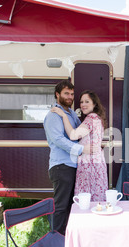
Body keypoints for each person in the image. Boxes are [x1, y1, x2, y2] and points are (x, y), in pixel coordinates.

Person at [43, 80, 92, 235]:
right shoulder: (53, 115)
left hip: (71, 166)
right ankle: (56, 240)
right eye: (66, 93)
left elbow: (77, 131)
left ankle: (67, 239)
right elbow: (58, 139)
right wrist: (81, 149)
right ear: (57, 94)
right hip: (61, 166)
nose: (70, 97)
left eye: (71, 94)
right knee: (61, 206)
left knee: (71, 205)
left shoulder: (70, 114)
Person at [51, 90, 108, 202]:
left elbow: (73, 135)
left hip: (90, 165)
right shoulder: (97, 118)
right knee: (96, 197)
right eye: (81, 102)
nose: (83, 104)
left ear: (94, 104)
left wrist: (63, 115)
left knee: (86, 199)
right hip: (96, 162)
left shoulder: (91, 118)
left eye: (87, 101)